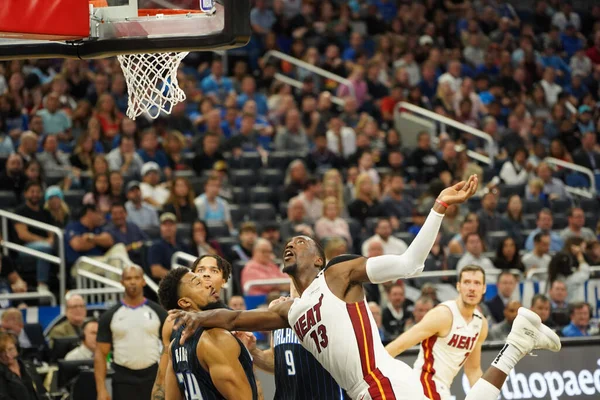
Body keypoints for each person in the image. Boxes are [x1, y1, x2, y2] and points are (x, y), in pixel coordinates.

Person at [171, 175, 562, 400]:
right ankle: (517, 344)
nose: (291, 243)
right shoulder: (287, 309)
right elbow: (236, 315)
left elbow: (411, 263)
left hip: (380, 383)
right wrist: (200, 315)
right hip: (377, 385)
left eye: (302, 241)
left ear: (321, 259)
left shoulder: (338, 276)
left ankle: (517, 344)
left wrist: (439, 206)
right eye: (288, 243)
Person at [385, 265, 489, 400]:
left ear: (484, 288)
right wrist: (370, 370)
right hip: (423, 384)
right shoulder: (443, 314)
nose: (472, 288)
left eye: (477, 283)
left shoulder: (481, 324)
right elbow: (400, 344)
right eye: (467, 282)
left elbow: (473, 370)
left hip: (442, 387)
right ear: (458, 286)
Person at [159, 267, 258, 400]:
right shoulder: (216, 339)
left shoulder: (174, 346)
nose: (209, 284)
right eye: (198, 283)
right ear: (185, 302)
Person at [151, 255, 231, 400]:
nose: (206, 274)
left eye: (214, 270)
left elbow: (249, 374)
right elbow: (162, 378)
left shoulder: (235, 321)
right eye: (200, 270)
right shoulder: (173, 323)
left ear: (223, 280)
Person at [95, 265, 167, 400]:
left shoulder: (159, 313)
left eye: (136, 278)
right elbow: (100, 354)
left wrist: (164, 379)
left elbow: (169, 348)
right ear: (122, 282)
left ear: (143, 281)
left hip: (153, 377)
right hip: (123, 379)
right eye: (128, 278)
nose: (133, 282)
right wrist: (101, 389)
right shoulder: (109, 316)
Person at [0, 332, 43, 400]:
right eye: (2, 352)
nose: (7, 355)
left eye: (10, 349)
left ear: (17, 348)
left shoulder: (28, 365)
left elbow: (41, 391)